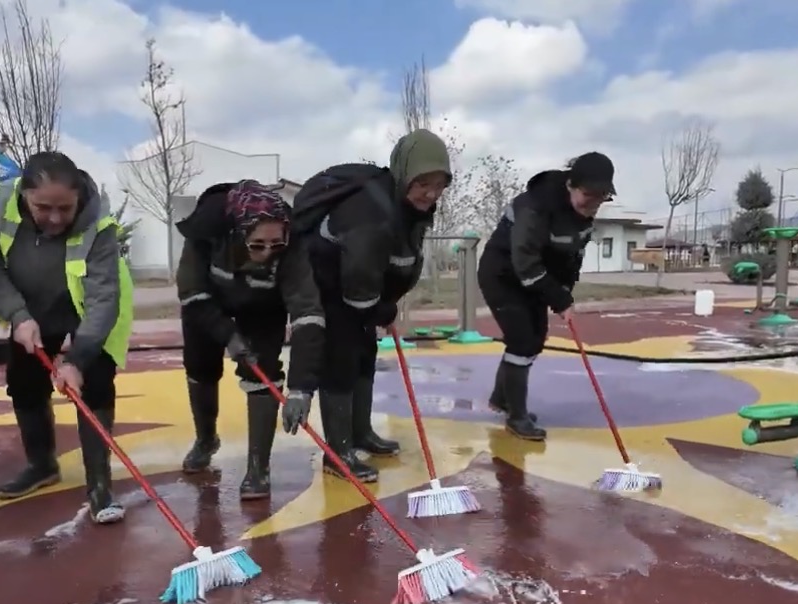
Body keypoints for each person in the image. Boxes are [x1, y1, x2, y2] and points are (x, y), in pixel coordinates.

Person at [0, 151, 135, 524]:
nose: (54, 218)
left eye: (65, 208)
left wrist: (77, 359)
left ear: (79, 196)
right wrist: (18, 316)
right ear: (24, 195)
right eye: (42, 207)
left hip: (89, 309)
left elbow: (101, 299)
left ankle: (100, 485)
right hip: (32, 310)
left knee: (95, 384)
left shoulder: (99, 221)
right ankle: (42, 464)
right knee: (25, 382)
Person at [292, 130, 452, 482]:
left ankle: (361, 432)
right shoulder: (372, 209)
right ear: (405, 173)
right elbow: (361, 270)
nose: (431, 193)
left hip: (358, 291)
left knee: (364, 355)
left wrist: (385, 303)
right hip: (326, 285)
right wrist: (379, 309)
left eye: (439, 185)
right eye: (423, 182)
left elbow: (395, 259)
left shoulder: (407, 206)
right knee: (340, 360)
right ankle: (339, 452)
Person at [176, 180, 324, 500]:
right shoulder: (206, 232)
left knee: (264, 373)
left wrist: (301, 388)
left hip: (263, 307)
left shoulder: (293, 245)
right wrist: (229, 337)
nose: (267, 253)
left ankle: (259, 466)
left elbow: (308, 313)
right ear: (237, 233)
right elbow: (192, 292)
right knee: (201, 367)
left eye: (276, 244)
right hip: (208, 302)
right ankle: (206, 439)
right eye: (257, 245)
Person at [477, 152, 615, 441]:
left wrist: (565, 292)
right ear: (570, 185)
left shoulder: (585, 216)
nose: (593, 204)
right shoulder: (536, 206)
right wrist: (559, 299)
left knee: (535, 339)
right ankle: (517, 417)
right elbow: (525, 261)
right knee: (522, 341)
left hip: (536, 279)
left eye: (601, 198)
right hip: (503, 274)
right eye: (588, 195)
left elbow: (571, 259)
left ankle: (502, 399)